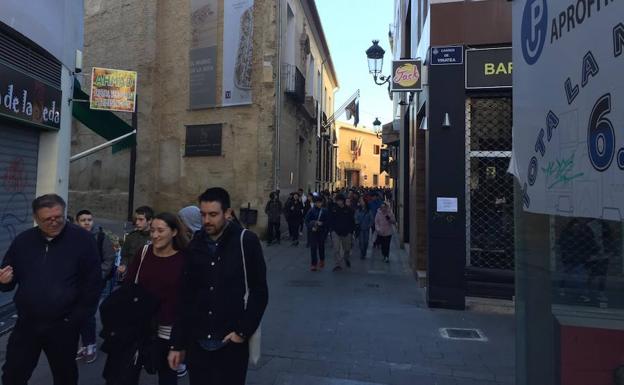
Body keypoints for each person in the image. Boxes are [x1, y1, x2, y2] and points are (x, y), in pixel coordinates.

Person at [169, 187, 268, 385]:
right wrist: (177, 343)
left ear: (228, 213)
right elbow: (185, 295)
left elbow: (259, 291)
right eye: (203, 214)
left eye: (213, 215)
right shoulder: (195, 245)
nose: (206, 220)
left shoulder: (245, 242)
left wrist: (241, 332)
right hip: (198, 342)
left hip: (229, 342)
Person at [0, 194, 101, 385]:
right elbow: (7, 279)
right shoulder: (24, 241)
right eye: (47, 219)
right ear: (36, 218)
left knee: (65, 375)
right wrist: (4, 281)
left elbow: (93, 284)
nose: (54, 222)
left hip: (63, 326)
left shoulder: (82, 240)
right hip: (27, 324)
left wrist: (75, 319)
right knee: (13, 374)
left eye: (58, 217)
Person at [103, 212, 188, 385]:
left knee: (167, 375)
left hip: (168, 328)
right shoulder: (144, 252)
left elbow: (188, 300)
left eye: (161, 231)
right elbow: (128, 286)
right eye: (153, 230)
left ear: (174, 232)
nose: (155, 235)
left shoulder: (185, 259)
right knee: (126, 372)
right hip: (140, 324)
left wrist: (180, 344)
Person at [75, 209, 116, 364]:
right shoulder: (72, 238)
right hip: (76, 283)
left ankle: (89, 344)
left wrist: (99, 275)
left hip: (94, 283)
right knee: (77, 313)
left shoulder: (100, 237)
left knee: (88, 314)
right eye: (83, 220)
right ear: (77, 222)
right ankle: (84, 344)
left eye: (89, 219)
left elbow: (109, 258)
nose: (87, 222)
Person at [118, 206, 154, 276]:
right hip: (131, 274)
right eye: (136, 219)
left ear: (149, 221)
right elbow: (124, 255)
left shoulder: (155, 238)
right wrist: (124, 265)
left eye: (141, 219)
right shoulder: (131, 237)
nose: (137, 222)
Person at [328, 194, 355, 271]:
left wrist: (351, 231)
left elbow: (352, 221)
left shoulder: (349, 210)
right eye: (338, 201)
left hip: (346, 232)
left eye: (340, 200)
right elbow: (330, 220)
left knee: (347, 248)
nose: (339, 202)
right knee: (336, 248)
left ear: (343, 201)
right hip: (335, 232)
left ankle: (346, 258)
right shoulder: (334, 209)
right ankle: (337, 264)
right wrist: (332, 229)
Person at [304, 196, 330, 271]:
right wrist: (311, 226)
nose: (318, 204)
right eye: (317, 202)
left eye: (320, 202)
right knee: (313, 248)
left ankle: (322, 259)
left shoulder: (324, 211)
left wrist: (322, 224)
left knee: (321, 246)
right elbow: (306, 220)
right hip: (313, 231)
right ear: (315, 203)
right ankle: (313, 264)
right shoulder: (311, 211)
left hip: (322, 231)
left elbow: (328, 221)